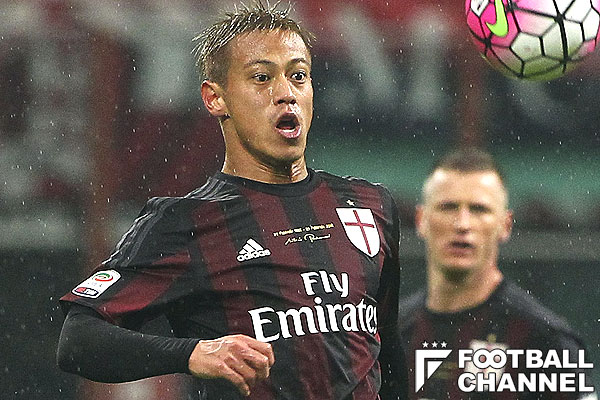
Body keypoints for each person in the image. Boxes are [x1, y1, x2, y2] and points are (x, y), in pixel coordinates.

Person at [56, 2, 406, 399]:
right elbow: (79, 339)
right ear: (215, 98)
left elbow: (388, 351)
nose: (286, 94)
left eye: (298, 75)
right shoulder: (186, 222)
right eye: (262, 77)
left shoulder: (369, 205)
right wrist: (193, 353)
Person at [398, 147, 596, 399]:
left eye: (479, 209)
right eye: (448, 207)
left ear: (505, 224)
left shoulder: (543, 341)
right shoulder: (389, 334)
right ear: (421, 220)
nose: (462, 224)